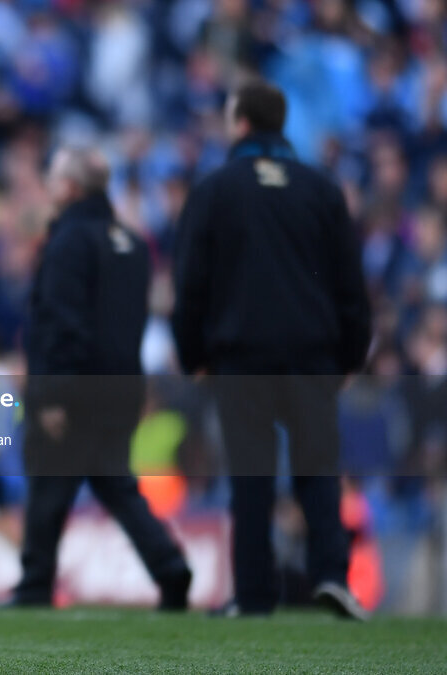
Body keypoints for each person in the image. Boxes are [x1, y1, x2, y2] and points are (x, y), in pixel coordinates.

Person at [171, 79, 372, 619]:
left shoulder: (215, 189)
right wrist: (353, 354)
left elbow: (190, 283)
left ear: (240, 123)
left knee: (251, 478)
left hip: (241, 357)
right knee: (318, 472)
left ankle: (255, 594)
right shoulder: (322, 189)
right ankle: (332, 575)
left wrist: (193, 355)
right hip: (314, 354)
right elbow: (351, 283)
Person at [10, 146, 193, 609]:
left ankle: (34, 585)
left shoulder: (69, 240)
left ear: (70, 187)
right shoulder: (132, 243)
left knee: (50, 484)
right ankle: (170, 566)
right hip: (123, 387)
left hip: (73, 389)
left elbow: (60, 323)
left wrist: (51, 395)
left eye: (53, 178)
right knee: (116, 483)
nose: (49, 187)